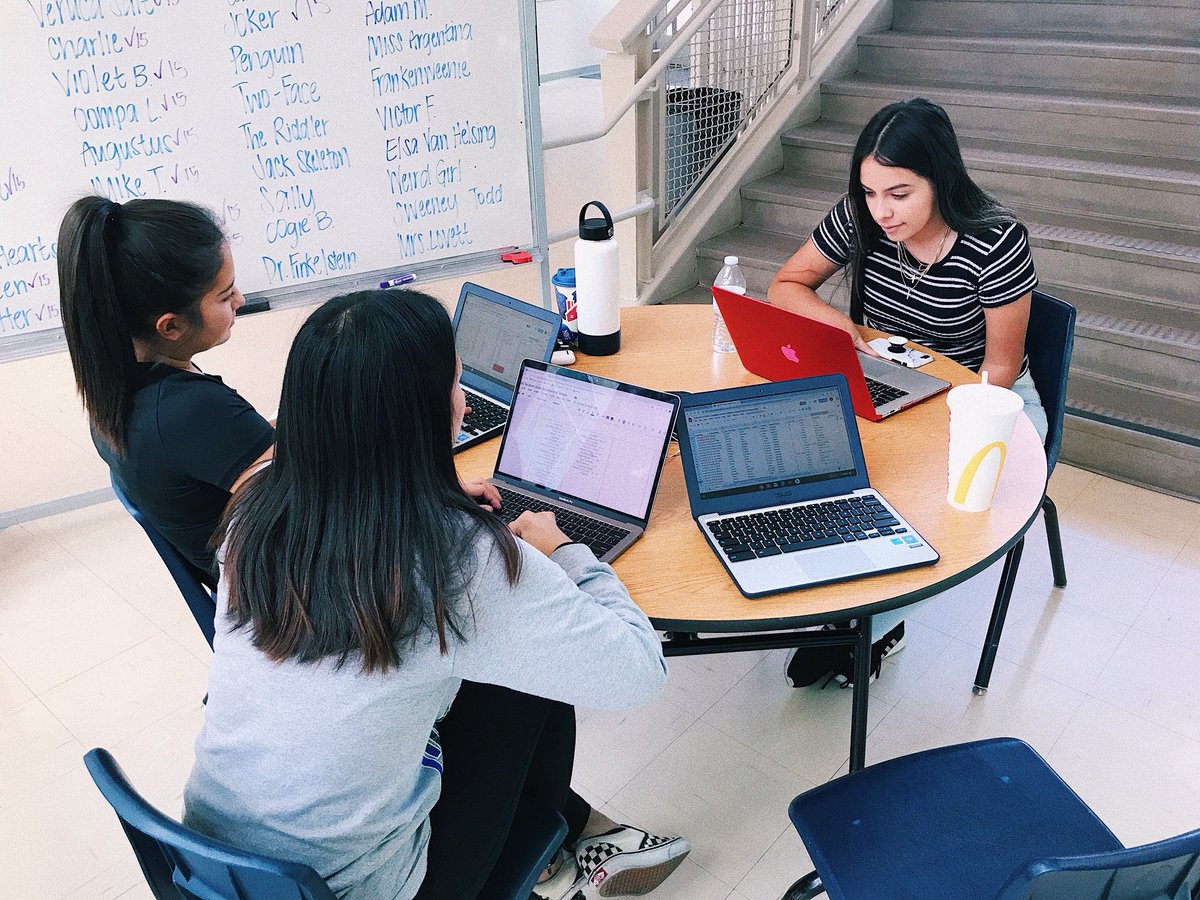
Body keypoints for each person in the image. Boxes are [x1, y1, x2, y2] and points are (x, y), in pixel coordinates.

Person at [182, 290, 689, 900]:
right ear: (427, 416)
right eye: (454, 383)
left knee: (495, 657)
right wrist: (560, 555)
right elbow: (639, 673)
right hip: (365, 887)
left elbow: (363, 532)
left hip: (218, 868)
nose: (465, 398)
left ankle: (561, 850)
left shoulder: (256, 510)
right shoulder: (458, 563)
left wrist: (435, 496)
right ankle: (553, 856)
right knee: (529, 683)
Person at [767, 97, 1044, 687]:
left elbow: (1000, 368)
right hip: (894, 380)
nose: (881, 212)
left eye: (899, 194)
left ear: (940, 180)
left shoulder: (994, 239)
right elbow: (787, 285)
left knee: (932, 499)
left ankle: (873, 619)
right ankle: (833, 584)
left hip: (983, 400)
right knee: (807, 459)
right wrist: (848, 340)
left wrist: (928, 415)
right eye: (870, 193)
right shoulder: (860, 217)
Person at [58, 196, 274, 589]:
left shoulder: (119, 393)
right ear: (170, 327)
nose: (240, 300)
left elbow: (248, 449)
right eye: (225, 296)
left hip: (248, 575)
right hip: (287, 596)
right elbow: (308, 494)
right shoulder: (190, 411)